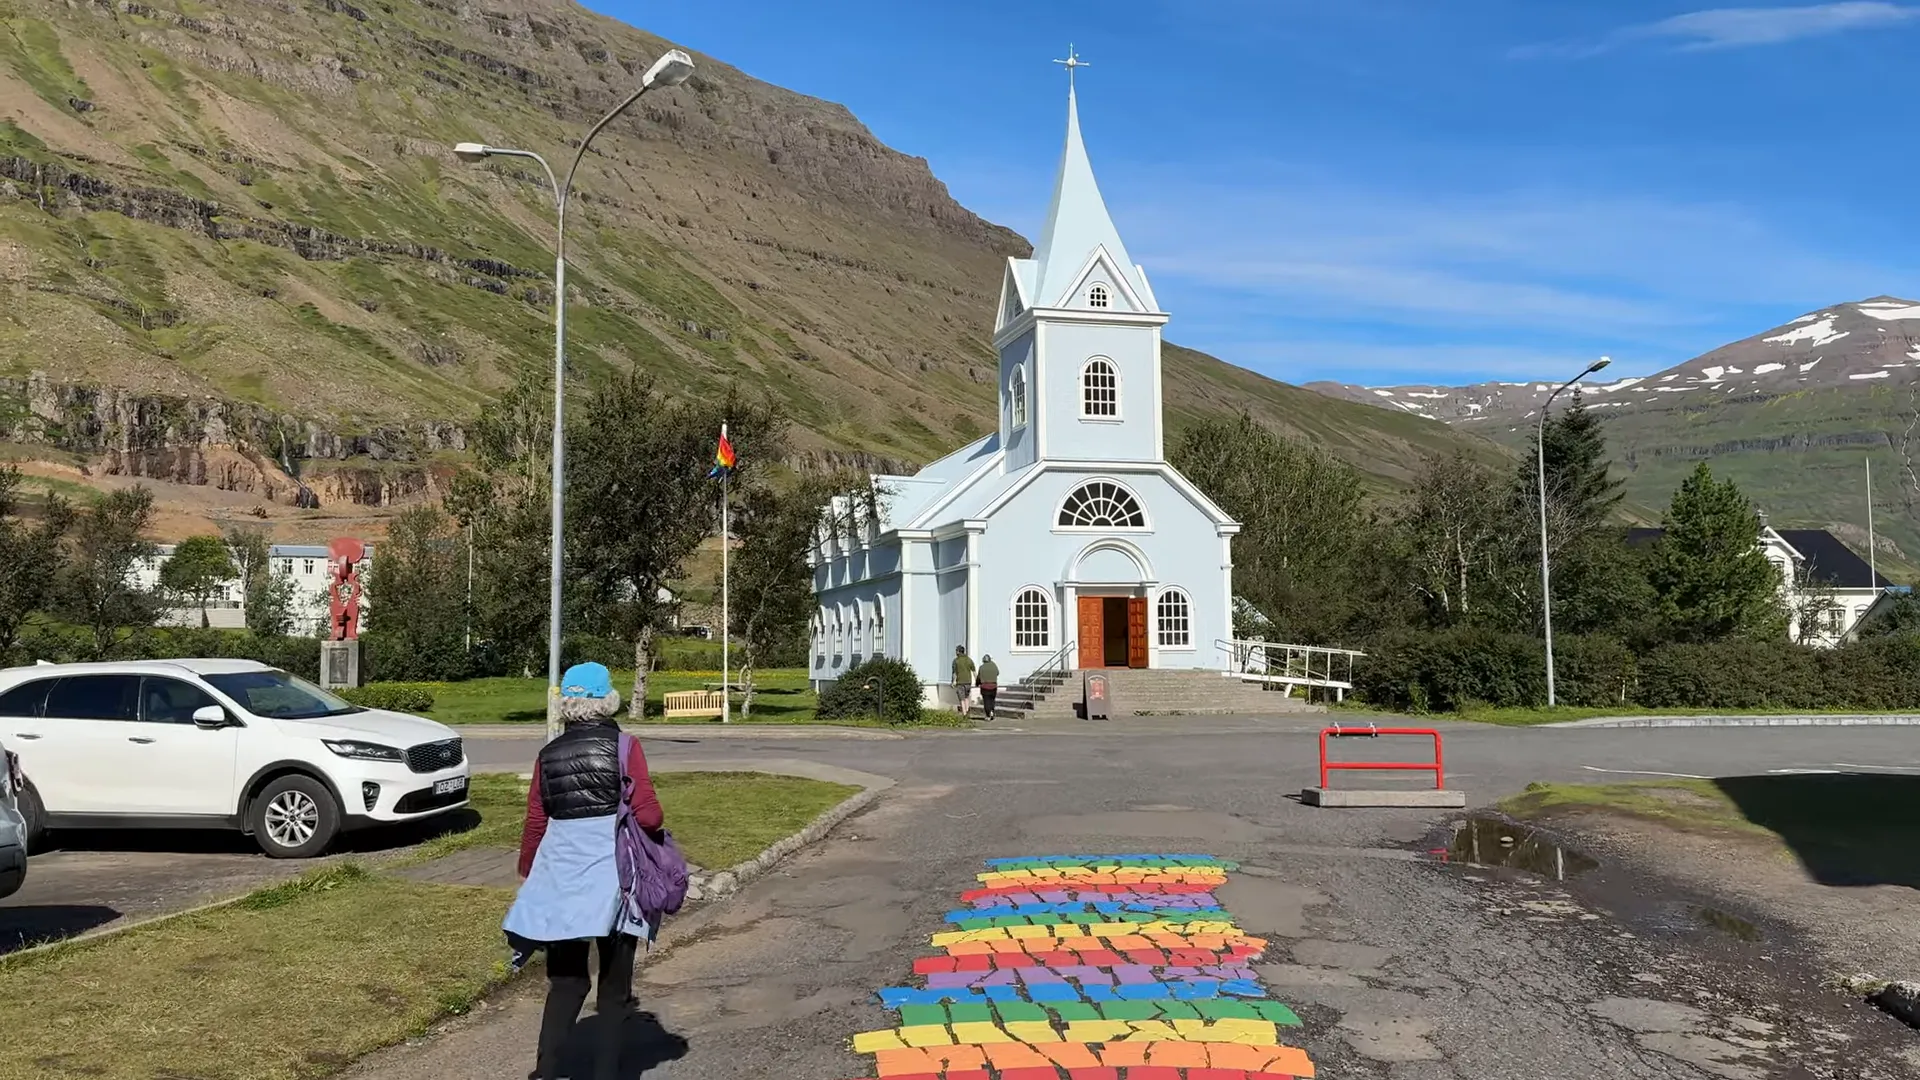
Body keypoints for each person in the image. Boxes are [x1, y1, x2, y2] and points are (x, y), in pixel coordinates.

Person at [505, 662, 664, 1080]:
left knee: (567, 982)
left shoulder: (547, 754)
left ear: (568, 704)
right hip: (615, 878)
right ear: (607, 700)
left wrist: (528, 870)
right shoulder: (625, 746)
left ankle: (545, 1071)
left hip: (562, 877)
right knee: (614, 991)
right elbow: (648, 816)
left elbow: (537, 820)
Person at [951, 645, 975, 715]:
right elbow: (974, 671)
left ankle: (964, 713)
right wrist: (976, 680)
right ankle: (967, 710)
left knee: (961, 698)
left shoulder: (956, 661)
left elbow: (954, 673)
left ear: (958, 652)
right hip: (968, 682)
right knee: (966, 697)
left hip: (960, 682)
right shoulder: (969, 660)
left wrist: (953, 681)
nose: (956, 652)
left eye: (956, 651)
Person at [976, 653, 1000, 721]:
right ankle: (992, 711)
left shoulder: (981, 667)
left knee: (986, 701)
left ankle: (988, 715)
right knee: (992, 700)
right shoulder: (994, 665)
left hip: (985, 687)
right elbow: (998, 673)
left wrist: (977, 684)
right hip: (993, 686)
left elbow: (979, 677)